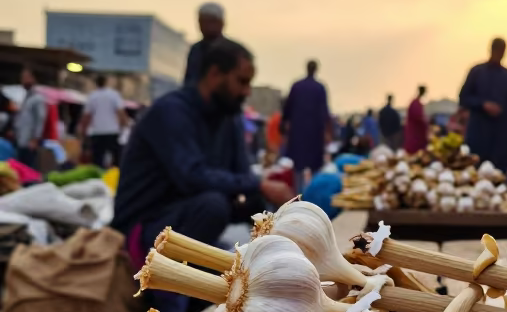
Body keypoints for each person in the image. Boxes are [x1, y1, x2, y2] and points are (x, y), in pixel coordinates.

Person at [113, 39, 293, 266]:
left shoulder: (230, 118)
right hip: (144, 225)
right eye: (242, 82)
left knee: (254, 203)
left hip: (186, 218)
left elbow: (243, 176)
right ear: (215, 74)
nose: (246, 91)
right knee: (213, 205)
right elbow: (191, 177)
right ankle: (172, 292)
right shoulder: (171, 112)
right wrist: (259, 184)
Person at [458, 37, 507, 171]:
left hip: (501, 134)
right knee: (475, 169)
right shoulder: (477, 72)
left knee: (499, 172)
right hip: (479, 132)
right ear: (491, 50)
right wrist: (483, 105)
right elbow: (464, 97)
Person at [281, 60, 331, 182]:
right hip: (315, 132)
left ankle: (298, 194)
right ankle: (312, 192)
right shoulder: (320, 88)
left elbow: (287, 108)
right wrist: (328, 131)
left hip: (298, 131)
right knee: (314, 166)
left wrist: (284, 123)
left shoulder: (297, 86)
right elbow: (325, 112)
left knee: (298, 166)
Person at [81, 74, 127, 169]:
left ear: (96, 83)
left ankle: (99, 180)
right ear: (106, 82)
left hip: (97, 132)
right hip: (112, 131)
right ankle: (115, 178)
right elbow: (120, 112)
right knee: (116, 159)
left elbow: (87, 116)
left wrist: (83, 131)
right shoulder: (114, 95)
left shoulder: (92, 96)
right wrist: (123, 126)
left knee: (97, 160)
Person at [183, 2, 228, 86]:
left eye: (211, 21)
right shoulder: (195, 50)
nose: (206, 26)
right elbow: (189, 80)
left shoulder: (232, 50)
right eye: (202, 21)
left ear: (221, 23)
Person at [13, 67, 47, 169]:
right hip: (21, 140)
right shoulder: (25, 98)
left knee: (29, 169)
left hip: (29, 142)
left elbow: (40, 119)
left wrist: (35, 139)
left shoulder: (37, 98)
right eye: (22, 78)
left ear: (33, 79)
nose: (23, 80)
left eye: (26, 77)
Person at [404, 85, 429, 154]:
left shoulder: (417, 103)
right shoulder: (415, 103)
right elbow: (418, 117)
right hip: (415, 134)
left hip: (418, 134)